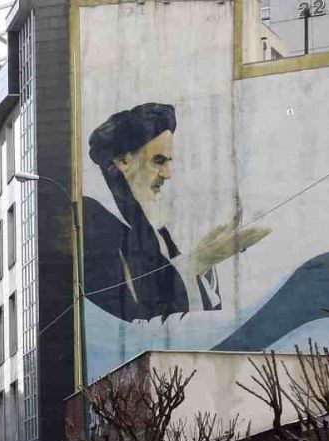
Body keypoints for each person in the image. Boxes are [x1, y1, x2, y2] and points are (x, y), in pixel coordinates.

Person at [82, 102, 269, 323]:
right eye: (158, 161)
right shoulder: (93, 221)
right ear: (123, 161)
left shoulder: (152, 224)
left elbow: (197, 321)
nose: (167, 174)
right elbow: (135, 322)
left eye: (168, 162)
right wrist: (197, 264)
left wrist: (203, 265)